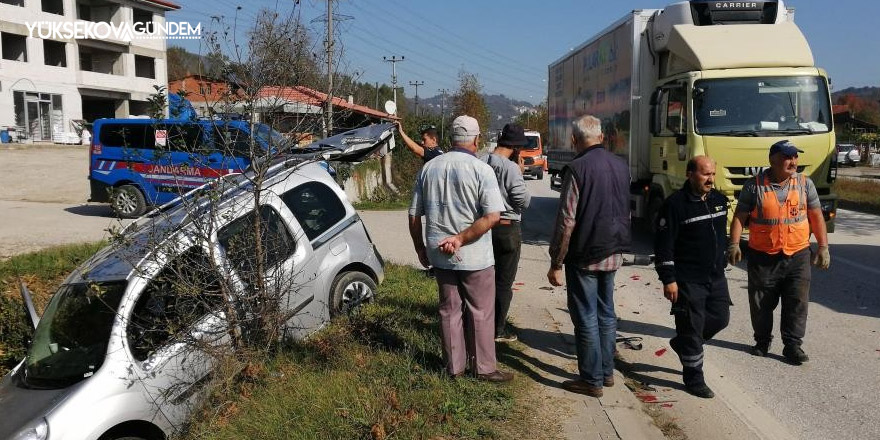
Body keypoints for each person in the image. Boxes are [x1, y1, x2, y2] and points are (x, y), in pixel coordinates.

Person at [408, 114, 513, 382]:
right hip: (475, 256)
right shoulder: (482, 170)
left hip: (440, 255)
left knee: (448, 309)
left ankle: (453, 368)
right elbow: (492, 216)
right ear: (476, 140)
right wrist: (461, 239)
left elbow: (413, 215)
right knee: (480, 311)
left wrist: (420, 248)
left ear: (451, 139)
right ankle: (484, 368)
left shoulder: (429, 168)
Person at [547, 115, 631, 398]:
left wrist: (556, 261)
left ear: (574, 140)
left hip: (586, 253)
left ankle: (591, 379)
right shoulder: (621, 166)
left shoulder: (577, 168)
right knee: (607, 313)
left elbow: (566, 220)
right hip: (615, 249)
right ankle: (607, 373)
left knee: (585, 317)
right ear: (602, 137)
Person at [729, 139, 830, 365]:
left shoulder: (805, 184)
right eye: (787, 156)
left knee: (797, 301)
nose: (793, 161)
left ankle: (792, 345)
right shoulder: (753, 186)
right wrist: (734, 244)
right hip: (763, 256)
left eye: (795, 156)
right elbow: (740, 217)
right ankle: (762, 341)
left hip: (798, 254)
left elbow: (816, 216)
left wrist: (823, 246)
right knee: (761, 303)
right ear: (772, 160)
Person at [654, 156, 730, 399]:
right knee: (691, 327)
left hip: (715, 277)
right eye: (705, 174)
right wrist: (669, 278)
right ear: (690, 174)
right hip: (688, 280)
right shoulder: (675, 205)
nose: (711, 179)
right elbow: (664, 245)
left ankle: (686, 342)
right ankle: (694, 378)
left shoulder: (719, 201)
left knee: (720, 318)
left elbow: (720, 234)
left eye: (713, 174)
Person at [483, 123, 531, 342]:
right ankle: (497, 329)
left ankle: (479, 321)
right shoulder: (511, 168)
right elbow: (523, 200)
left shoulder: (482, 160)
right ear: (516, 147)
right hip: (507, 227)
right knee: (503, 282)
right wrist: (519, 173)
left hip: (483, 227)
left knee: (484, 278)